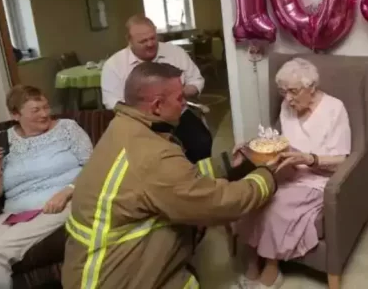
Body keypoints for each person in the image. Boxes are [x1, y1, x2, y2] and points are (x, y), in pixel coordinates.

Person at [62, 62, 278, 289]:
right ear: (157, 105)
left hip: (104, 265)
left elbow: (176, 180)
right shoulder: (150, 154)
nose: (185, 103)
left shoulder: (126, 126)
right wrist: (267, 176)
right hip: (111, 277)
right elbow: (215, 203)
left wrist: (227, 164)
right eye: (179, 99)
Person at [0, 85, 93, 289]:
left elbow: (94, 168)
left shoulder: (67, 128)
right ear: (15, 114)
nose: (45, 114)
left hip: (58, 204)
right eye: (35, 110)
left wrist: (67, 191)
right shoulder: (2, 141)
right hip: (15, 212)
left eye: (46, 107)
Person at [233, 58, 351, 289]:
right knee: (251, 193)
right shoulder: (288, 106)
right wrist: (249, 147)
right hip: (285, 173)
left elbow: (343, 160)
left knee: (275, 206)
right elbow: (277, 142)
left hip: (315, 180)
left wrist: (310, 158)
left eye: (294, 91)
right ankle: (252, 259)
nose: (287, 98)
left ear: (312, 87)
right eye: (283, 91)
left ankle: (271, 267)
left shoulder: (334, 109)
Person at [101, 15, 212, 162]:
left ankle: (195, 179)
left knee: (202, 142)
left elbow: (196, 80)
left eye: (153, 38)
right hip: (139, 122)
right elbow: (112, 102)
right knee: (147, 157)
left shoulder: (176, 53)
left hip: (178, 114)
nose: (150, 44)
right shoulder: (114, 65)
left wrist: (180, 94)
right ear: (129, 40)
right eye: (143, 41)